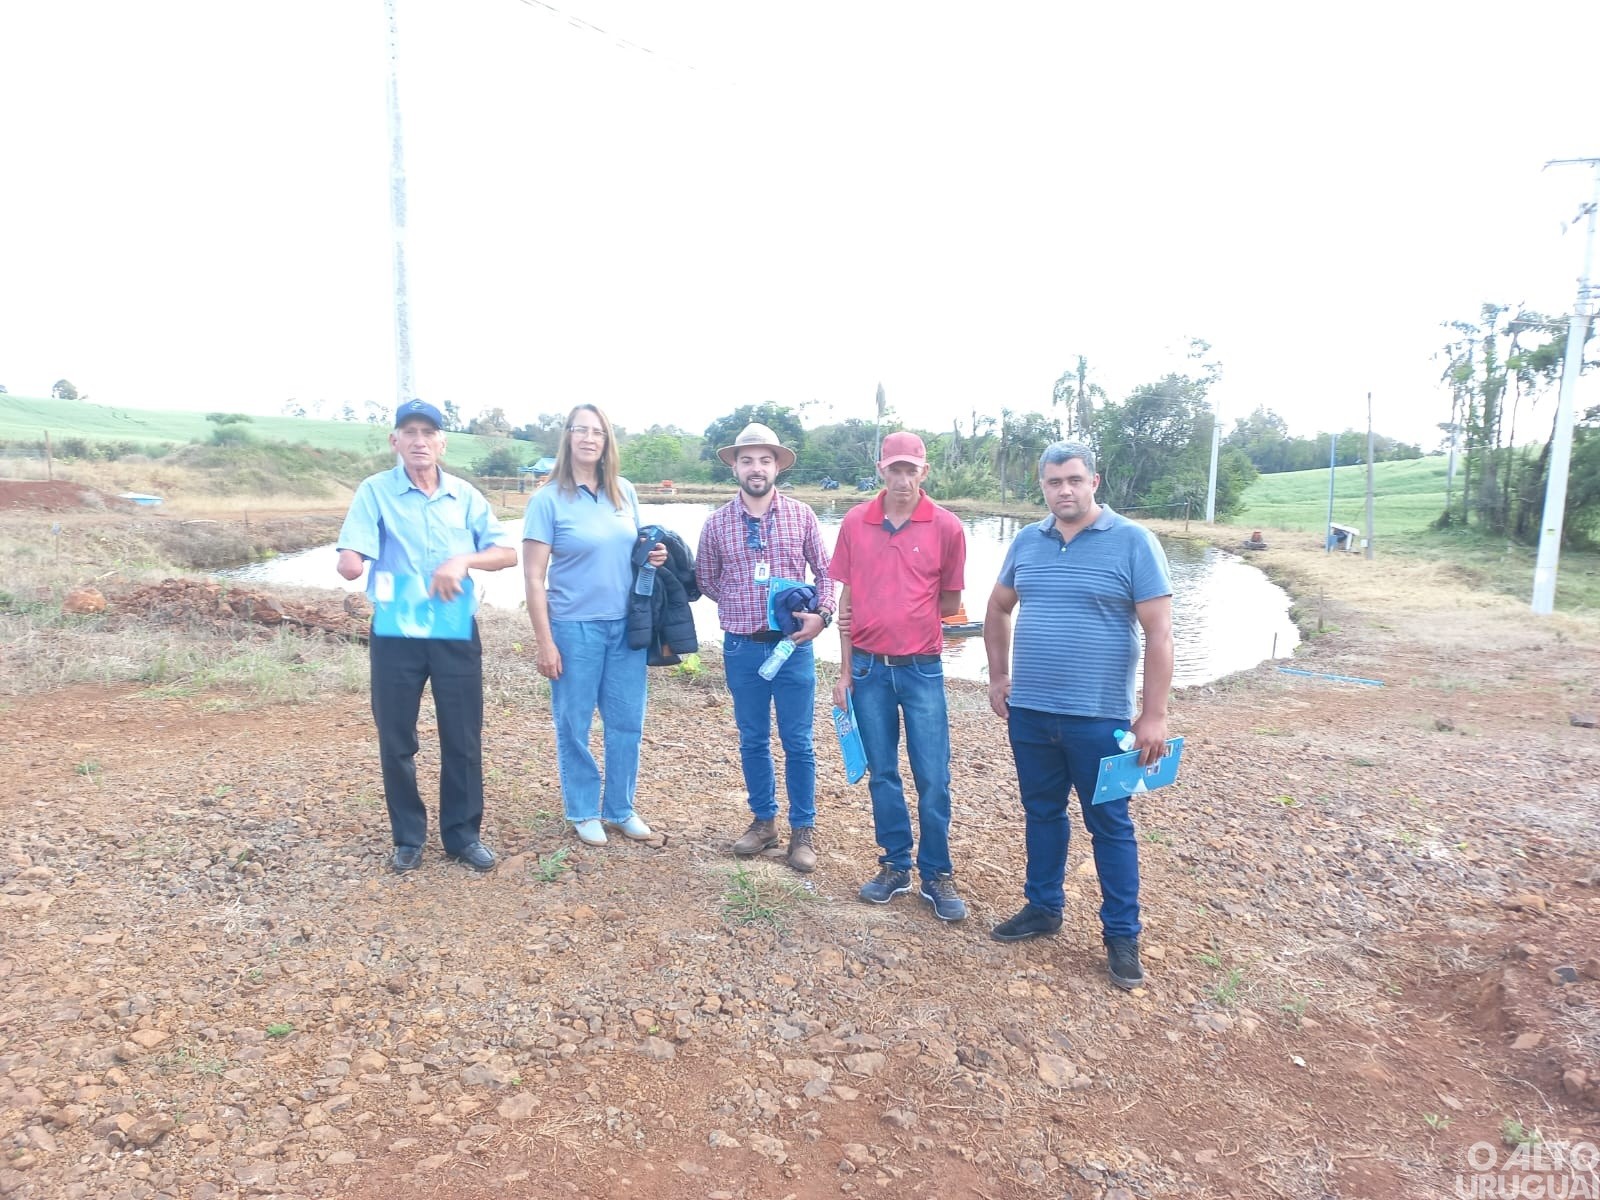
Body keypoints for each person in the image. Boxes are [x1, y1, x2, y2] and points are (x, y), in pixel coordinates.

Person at [982, 440, 1174, 989]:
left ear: (1094, 481)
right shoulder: (1027, 541)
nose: (1063, 490)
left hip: (1101, 721)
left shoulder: (1134, 542)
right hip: (1032, 714)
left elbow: (1159, 634)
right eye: (1052, 482)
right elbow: (997, 607)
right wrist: (998, 676)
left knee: (1109, 824)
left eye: (1073, 480)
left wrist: (1153, 714)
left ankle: (1121, 935)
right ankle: (1042, 908)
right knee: (1042, 813)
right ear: (1042, 486)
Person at [336, 399, 519, 874]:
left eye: (428, 433)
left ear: (442, 442)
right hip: (396, 630)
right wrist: (351, 559)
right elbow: (353, 553)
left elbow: (505, 553)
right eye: (409, 432)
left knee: (462, 736)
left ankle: (462, 836)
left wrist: (463, 561)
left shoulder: (466, 496)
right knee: (396, 737)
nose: (419, 441)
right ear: (394, 441)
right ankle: (408, 838)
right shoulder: (374, 492)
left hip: (453, 628)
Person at [829, 431, 969, 921]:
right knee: (882, 773)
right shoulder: (855, 521)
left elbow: (950, 602)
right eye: (895, 468)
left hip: (922, 668)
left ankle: (937, 873)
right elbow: (847, 600)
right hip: (867, 669)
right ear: (881, 470)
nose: (903, 478)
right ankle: (894, 865)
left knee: (933, 774)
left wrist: (907, 616)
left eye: (912, 469)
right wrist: (844, 672)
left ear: (924, 472)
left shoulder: (947, 527)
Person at [523, 404, 667, 847]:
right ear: (567, 438)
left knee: (627, 722)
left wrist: (654, 557)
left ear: (607, 442)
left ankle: (620, 809)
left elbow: (637, 548)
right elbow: (532, 576)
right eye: (580, 430)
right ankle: (584, 809)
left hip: (626, 628)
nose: (589, 438)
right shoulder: (547, 499)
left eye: (598, 432)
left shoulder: (624, 492)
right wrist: (545, 642)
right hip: (573, 627)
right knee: (575, 723)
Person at [696, 422, 835, 872]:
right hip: (741, 648)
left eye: (765, 459)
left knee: (798, 740)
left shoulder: (803, 516)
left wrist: (822, 615)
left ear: (777, 466)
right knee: (752, 738)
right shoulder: (716, 523)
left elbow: (828, 572)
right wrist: (740, 604)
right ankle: (763, 822)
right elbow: (705, 578)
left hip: (793, 647)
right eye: (747, 460)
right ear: (734, 467)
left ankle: (803, 831)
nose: (756, 468)